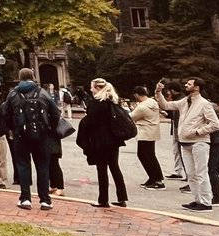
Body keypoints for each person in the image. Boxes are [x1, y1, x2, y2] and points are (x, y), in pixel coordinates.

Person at [156, 77, 219, 211]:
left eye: (189, 84)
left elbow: (215, 124)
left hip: (199, 142)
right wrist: (158, 93)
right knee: (191, 174)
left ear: (196, 87)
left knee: (201, 173)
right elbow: (167, 105)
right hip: (185, 142)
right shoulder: (185, 101)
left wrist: (198, 131)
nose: (186, 85)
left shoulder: (204, 103)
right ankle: (197, 200)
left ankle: (206, 202)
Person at [1, 68, 60, 211]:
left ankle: (25, 198)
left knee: (23, 166)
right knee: (43, 167)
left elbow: (5, 113)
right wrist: (49, 128)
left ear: (19, 77)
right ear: (33, 77)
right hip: (42, 136)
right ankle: (45, 200)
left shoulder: (13, 94)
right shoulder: (42, 93)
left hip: (21, 135)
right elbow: (55, 113)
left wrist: (13, 129)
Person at [76, 78, 129, 208]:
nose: (90, 89)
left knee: (102, 170)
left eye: (92, 87)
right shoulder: (112, 100)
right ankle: (122, 198)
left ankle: (103, 200)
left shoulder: (96, 103)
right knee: (115, 167)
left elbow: (90, 122)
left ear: (98, 88)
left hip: (100, 140)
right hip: (114, 140)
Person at [130, 87, 165, 190]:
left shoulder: (142, 107)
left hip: (144, 132)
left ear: (136, 94)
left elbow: (131, 117)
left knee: (144, 156)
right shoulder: (152, 102)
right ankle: (154, 178)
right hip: (152, 131)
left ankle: (157, 180)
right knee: (150, 156)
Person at [159, 80, 187, 180]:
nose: (168, 93)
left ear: (173, 91)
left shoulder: (182, 100)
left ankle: (186, 173)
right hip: (176, 127)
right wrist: (167, 114)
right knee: (177, 150)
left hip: (180, 128)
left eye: (169, 91)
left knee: (181, 150)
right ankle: (178, 170)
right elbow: (172, 113)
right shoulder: (179, 99)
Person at [43, 83, 67, 196]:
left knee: (54, 163)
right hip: (47, 139)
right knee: (49, 163)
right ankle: (53, 185)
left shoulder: (52, 111)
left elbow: (55, 120)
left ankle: (60, 187)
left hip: (52, 139)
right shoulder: (46, 109)